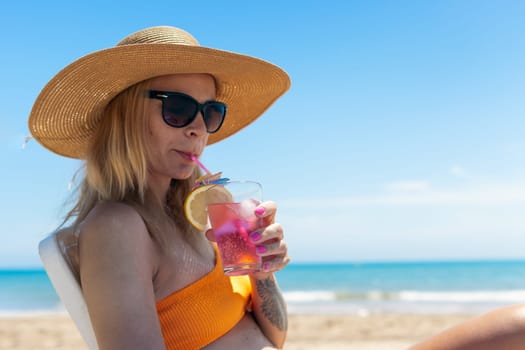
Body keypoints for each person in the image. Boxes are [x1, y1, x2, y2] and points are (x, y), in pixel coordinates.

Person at [28, 26, 291, 349]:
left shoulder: (207, 220)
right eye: (178, 109)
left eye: (210, 113)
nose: (198, 129)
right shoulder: (118, 226)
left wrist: (262, 271)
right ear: (126, 118)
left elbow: (275, 335)